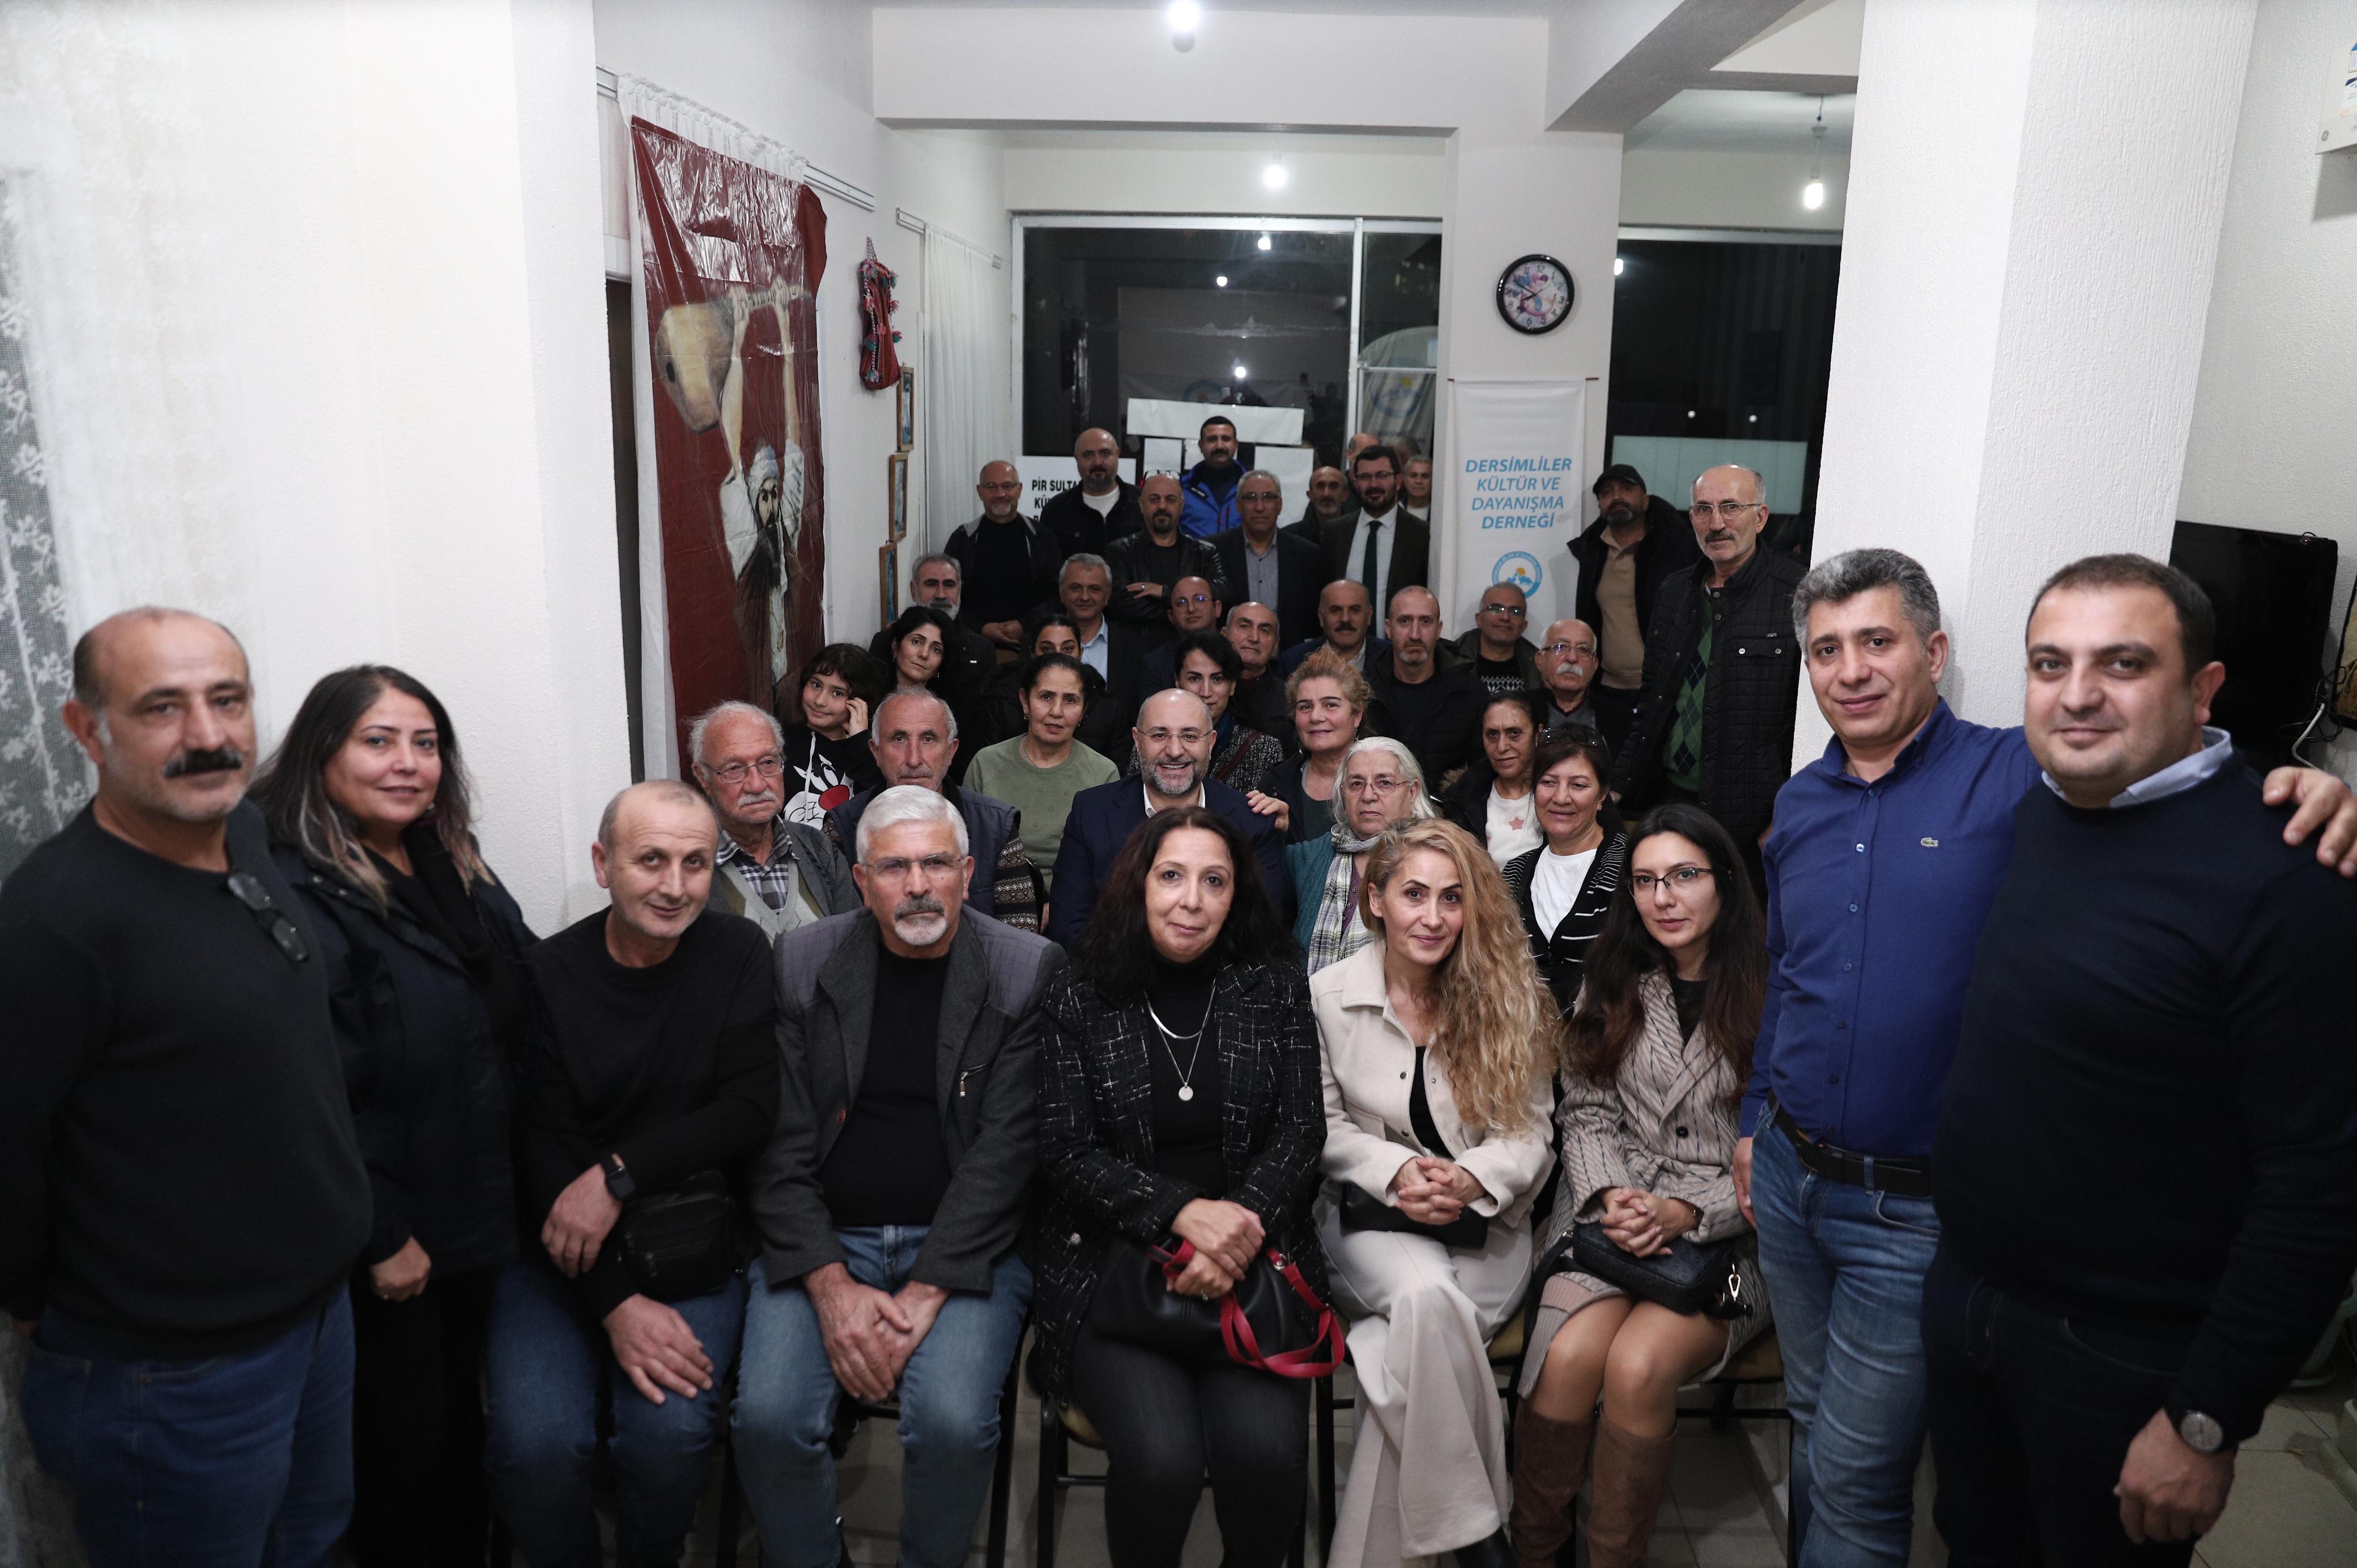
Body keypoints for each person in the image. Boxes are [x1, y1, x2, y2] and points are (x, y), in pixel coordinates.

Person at [1735, 547, 2357, 1565]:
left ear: (1936, 653)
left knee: (1854, 1474)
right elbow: (1790, 971)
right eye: (1827, 649)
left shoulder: (2016, 779)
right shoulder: (1810, 804)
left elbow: (2317, 1184)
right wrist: (1756, 1116)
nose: (1850, 670)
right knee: (1837, 1438)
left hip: (1923, 1221)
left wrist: (2314, 794)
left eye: (1878, 641)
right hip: (1818, 1194)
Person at [1922, 556, 2357, 1566]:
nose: (2077, 693)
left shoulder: (2292, 876)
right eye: (2050, 663)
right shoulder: (2047, 809)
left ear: (2203, 689)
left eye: (2123, 663)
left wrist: (2208, 1416)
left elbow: (2320, 1186)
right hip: (1971, 1296)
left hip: (2123, 1355)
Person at [4, 609, 371, 1568]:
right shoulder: (54, 926)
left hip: (314, 1317)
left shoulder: (241, 830)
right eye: (161, 707)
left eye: (227, 700)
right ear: (86, 730)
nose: (207, 735)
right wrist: (38, 1295)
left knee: (310, 1543)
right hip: (171, 1373)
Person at [253, 664, 537, 1568]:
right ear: (321, 755)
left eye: (426, 744)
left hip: (473, 1208)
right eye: (379, 742)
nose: (409, 763)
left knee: (461, 1437)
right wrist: (383, 1233)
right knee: (400, 1460)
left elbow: (516, 986)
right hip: (390, 1235)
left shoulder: (447, 854)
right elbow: (317, 1083)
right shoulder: (296, 885)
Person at [735, 786, 1061, 1568]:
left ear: (968, 873)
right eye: (893, 867)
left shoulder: (1025, 969)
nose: (918, 885)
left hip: (966, 1241)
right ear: (859, 881)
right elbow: (778, 1144)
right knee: (768, 1420)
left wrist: (924, 1292)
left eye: (936, 864)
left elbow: (1007, 1155)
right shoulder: (803, 962)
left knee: (950, 1423)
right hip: (825, 1236)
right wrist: (830, 1287)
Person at [488, 781, 778, 1567]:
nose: (675, 886)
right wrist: (615, 1302)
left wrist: (617, 1172)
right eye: (650, 860)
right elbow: (539, 1145)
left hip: (689, 1235)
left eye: (694, 863)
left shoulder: (737, 952)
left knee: (668, 1438)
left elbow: (748, 1109)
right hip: (559, 1248)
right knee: (535, 1448)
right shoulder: (546, 974)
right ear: (603, 864)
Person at [1032, 806, 1325, 1568]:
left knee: (1266, 1459)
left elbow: (1300, 1131)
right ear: (1138, 884)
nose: (1191, 899)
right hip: (1114, 1267)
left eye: (1213, 881)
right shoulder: (1078, 991)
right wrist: (1183, 1213)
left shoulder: (1274, 984)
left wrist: (1237, 1231)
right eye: (1171, 876)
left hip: (1252, 1266)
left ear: (1237, 896)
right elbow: (1065, 1150)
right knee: (1161, 1463)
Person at [1513, 805, 1772, 1568]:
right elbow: (1585, 1110)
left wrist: (1686, 1211)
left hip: (1734, 1243)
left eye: (1684, 876)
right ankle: (1535, 1553)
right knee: (1566, 1357)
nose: (1663, 897)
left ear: (1725, 882)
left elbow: (1783, 1148)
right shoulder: (1613, 977)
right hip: (1610, 1218)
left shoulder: (1778, 989)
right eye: (1645, 880)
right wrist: (1611, 1197)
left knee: (1637, 1365)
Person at [1314, 819, 1557, 1568]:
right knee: (1423, 1299)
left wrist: (1471, 1176)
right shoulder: (1325, 995)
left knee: (1407, 1350)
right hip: (1368, 1222)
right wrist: (1396, 1171)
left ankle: (1461, 1540)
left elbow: (1531, 1132)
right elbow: (1318, 1126)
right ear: (1375, 899)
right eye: (1413, 894)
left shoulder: (1509, 996)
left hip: (1484, 1226)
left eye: (1451, 898)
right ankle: (1483, 1542)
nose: (1433, 916)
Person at [1614, 465, 1804, 896]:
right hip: (1672, 801)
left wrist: (1786, 814)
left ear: (1761, 517)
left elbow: (1808, 721)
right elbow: (1653, 699)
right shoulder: (1674, 591)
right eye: (1704, 509)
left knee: (1741, 930)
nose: (1716, 523)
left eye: (1731, 507)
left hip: (1752, 822)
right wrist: (1619, 784)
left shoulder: (1796, 593)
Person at [1046, 689, 1288, 945]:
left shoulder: (1251, 822)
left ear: (1210, 742)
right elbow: (1068, 926)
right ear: (1137, 740)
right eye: (1159, 735)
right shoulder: (1092, 812)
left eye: (1190, 736)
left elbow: (1260, 933)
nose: (1174, 751)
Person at [826, 691, 1041, 932]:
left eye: (928, 739)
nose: (914, 759)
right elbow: (833, 936)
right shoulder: (842, 828)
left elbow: (1020, 938)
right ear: (876, 752)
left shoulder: (996, 826)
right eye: (899, 739)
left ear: (951, 752)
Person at [690, 701, 863, 940]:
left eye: (768, 763)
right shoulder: (684, 869)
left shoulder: (818, 847)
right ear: (703, 777)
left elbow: (855, 945)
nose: (757, 784)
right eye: (734, 769)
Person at [1567, 463, 1701, 756]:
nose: (1616, 496)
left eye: (1626, 489)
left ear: (1646, 500)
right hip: (1609, 691)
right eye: (1607, 492)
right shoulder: (1593, 552)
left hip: (1666, 689)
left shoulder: (1678, 549)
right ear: (1600, 505)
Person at [965, 653, 1122, 900]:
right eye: (1046, 697)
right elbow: (968, 855)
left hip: (1072, 905)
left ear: (1084, 711)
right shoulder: (986, 764)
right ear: (1025, 701)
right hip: (992, 903)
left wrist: (1055, 909)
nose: (1056, 711)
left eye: (1070, 700)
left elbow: (1104, 868)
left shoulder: (1104, 773)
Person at [1497, 733, 1627, 1015]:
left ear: (1602, 795)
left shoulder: (1628, 867)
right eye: (1549, 782)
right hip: (1526, 1034)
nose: (1561, 798)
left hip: (1608, 1034)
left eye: (1578, 785)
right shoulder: (1515, 873)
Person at [1290, 736, 1435, 972]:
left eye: (1384, 783)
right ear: (1342, 793)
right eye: (1356, 784)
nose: (1368, 796)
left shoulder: (1439, 855)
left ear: (1412, 792)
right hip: (1311, 994)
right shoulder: (1311, 855)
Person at [1364, 587, 1486, 783]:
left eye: (1426, 622)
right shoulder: (1364, 692)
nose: (1415, 634)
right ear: (1388, 628)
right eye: (1405, 621)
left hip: (1447, 802)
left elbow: (1481, 769)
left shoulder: (1470, 692)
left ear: (1439, 630)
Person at [1145, 630, 1287, 794]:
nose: (1206, 692)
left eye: (1217, 679)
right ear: (1178, 682)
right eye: (1195, 679)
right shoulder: (1150, 741)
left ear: (1232, 686)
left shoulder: (1263, 749)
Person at [1256, 651, 1375, 846]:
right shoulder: (1276, 784)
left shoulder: (1388, 778)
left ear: (1357, 715)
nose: (1316, 717)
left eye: (1330, 705)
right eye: (1305, 707)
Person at [943, 459, 1062, 651]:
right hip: (972, 646)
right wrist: (981, 628)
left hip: (1033, 646)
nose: (1000, 494)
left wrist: (1024, 625)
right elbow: (946, 596)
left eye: (1007, 486)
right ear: (980, 492)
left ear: (1020, 490)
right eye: (991, 487)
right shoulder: (962, 539)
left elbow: (1058, 594)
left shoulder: (1042, 537)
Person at [871, 604, 995, 778]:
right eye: (916, 642)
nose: (924, 654)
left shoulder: (954, 709)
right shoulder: (869, 700)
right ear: (895, 647)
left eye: (936, 649)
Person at [1211, 468, 1328, 651]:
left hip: (1291, 659)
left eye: (1268, 497)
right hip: (1230, 659)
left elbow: (1314, 620)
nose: (1260, 507)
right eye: (1251, 498)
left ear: (1280, 505)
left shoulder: (1308, 555)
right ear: (1238, 506)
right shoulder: (1214, 551)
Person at [1107, 473, 1231, 640]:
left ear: (1182, 506)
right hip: (1138, 649)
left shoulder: (1204, 552)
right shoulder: (1121, 552)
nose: (1162, 506)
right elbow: (1122, 604)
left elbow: (1223, 592)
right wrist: (1183, 613)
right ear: (1141, 505)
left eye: (1170, 499)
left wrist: (1165, 591)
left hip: (1195, 648)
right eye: (1154, 499)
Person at [776, 642, 887, 824]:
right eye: (816, 685)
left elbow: (877, 809)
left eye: (837, 693)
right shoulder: (781, 741)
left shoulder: (871, 753)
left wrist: (860, 742)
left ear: (859, 703)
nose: (820, 701)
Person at [1438, 691, 1546, 865]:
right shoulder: (1463, 799)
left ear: (1537, 735)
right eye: (1492, 734)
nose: (1502, 747)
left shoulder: (1560, 794)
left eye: (1514, 733)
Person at [1321, 444, 1428, 610]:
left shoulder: (1421, 534)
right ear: (1356, 483)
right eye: (1365, 477)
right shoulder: (1336, 532)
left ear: (1398, 481)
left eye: (1382, 475)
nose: (1374, 484)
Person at [1053, 553, 1148, 731]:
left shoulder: (1134, 647)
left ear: (1107, 596)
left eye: (1094, 589)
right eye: (1076, 588)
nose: (1085, 597)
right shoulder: (1041, 641)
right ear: (1061, 593)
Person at [906, 552, 1001, 696]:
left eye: (949, 585)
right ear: (914, 590)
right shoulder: (887, 642)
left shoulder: (982, 650)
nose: (941, 595)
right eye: (931, 584)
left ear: (960, 590)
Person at [1041, 427, 1143, 559]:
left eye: (1105, 453)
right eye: (1088, 455)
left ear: (1117, 454)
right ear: (1077, 459)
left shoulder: (1143, 503)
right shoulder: (1056, 510)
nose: (1097, 462)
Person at [1279, 578, 1391, 676]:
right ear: (1321, 617)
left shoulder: (1390, 657)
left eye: (1355, 610)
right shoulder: (1294, 661)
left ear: (1369, 616)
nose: (1345, 619)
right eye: (1336, 610)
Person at [1454, 583, 1541, 699]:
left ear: (1524, 625)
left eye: (1515, 611)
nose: (1505, 617)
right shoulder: (1450, 660)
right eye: (1495, 609)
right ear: (1479, 619)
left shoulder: (1540, 666)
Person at [1223, 600, 1293, 743]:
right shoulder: (1206, 693)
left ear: (1276, 645)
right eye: (1244, 626)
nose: (1254, 638)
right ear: (1225, 635)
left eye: (1264, 630)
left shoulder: (1291, 700)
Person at [1534, 619, 1604, 740]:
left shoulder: (1619, 716)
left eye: (1583, 650)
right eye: (1560, 647)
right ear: (1540, 660)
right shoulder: (1517, 710)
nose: (1572, 658)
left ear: (1595, 665)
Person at [1179, 414, 1246, 538]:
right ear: (1201, 445)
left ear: (1236, 445)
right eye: (1212, 440)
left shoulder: (1252, 489)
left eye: (1226, 439)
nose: (1219, 446)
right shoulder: (1181, 489)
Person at [1284, 463, 1352, 545]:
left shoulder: (1357, 534)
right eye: (1320, 486)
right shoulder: (1290, 537)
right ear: (1310, 495)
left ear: (1345, 495)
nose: (1326, 494)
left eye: (1333, 487)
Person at [1400, 454, 1433, 523]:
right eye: (1413, 476)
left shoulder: (1442, 512)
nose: (1419, 481)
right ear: (1405, 480)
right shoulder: (1393, 512)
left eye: (1425, 476)